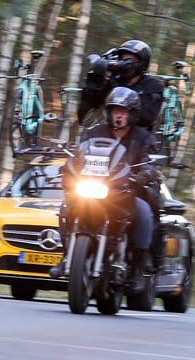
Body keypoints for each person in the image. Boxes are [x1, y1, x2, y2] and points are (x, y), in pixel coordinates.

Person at [51, 87, 160, 294]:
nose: (119, 114)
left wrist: (144, 175)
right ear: (109, 112)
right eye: (115, 110)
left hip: (126, 191)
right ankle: (67, 255)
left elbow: (150, 163)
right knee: (67, 207)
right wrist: (67, 169)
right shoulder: (94, 132)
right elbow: (78, 155)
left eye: (124, 111)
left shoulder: (144, 137)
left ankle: (138, 269)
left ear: (133, 113)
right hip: (95, 187)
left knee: (144, 212)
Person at [78, 39, 164, 131]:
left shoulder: (153, 85)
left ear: (142, 63)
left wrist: (113, 87)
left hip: (136, 139)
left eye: (130, 61)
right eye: (122, 60)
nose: (125, 64)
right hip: (106, 135)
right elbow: (84, 119)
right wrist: (98, 85)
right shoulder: (113, 79)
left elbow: (146, 118)